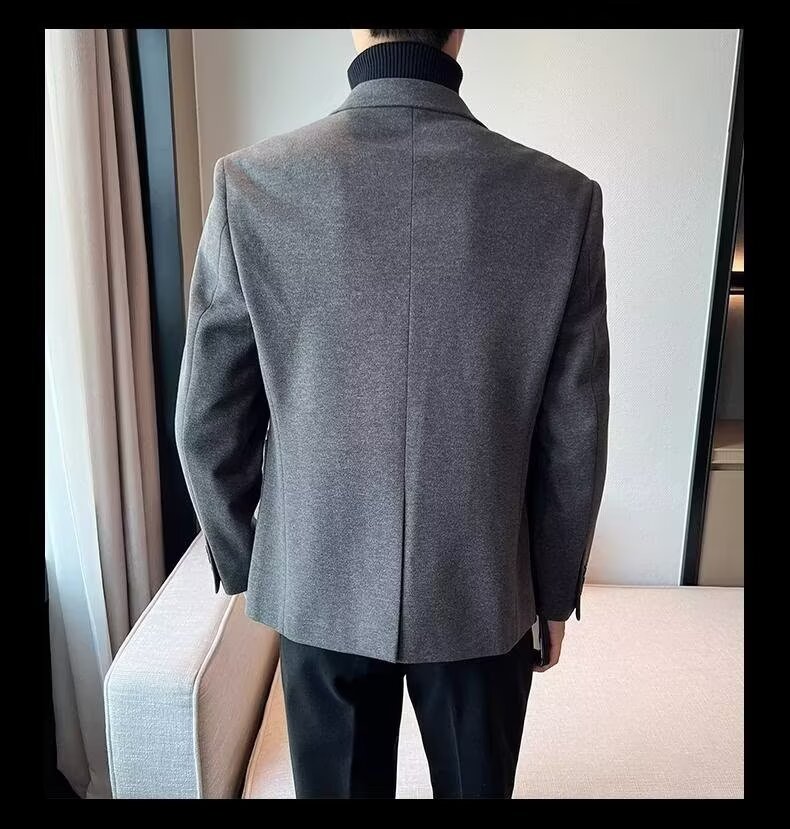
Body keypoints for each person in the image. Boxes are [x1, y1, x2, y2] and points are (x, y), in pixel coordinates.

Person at [175, 28, 610, 799]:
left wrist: (257, 564)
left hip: (319, 587)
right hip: (481, 591)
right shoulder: (560, 199)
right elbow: (574, 436)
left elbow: (207, 422)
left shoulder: (254, 186)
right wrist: (549, 593)